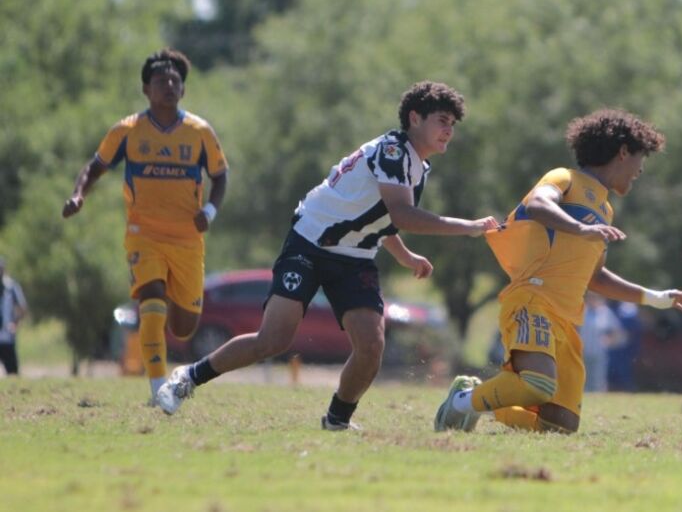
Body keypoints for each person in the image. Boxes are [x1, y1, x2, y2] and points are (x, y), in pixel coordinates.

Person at [156, 81, 499, 430]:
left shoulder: (415, 165)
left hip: (355, 257)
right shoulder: (393, 152)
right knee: (273, 340)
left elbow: (379, 216)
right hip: (310, 243)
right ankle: (188, 378)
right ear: (414, 118)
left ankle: (337, 420)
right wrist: (468, 227)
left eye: (452, 125)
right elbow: (402, 215)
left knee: (371, 346)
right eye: (442, 120)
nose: (448, 130)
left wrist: (405, 255)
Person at [435, 109, 682, 434]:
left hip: (567, 321)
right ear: (622, 153)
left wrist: (657, 298)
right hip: (533, 300)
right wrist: (579, 227)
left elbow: (596, 278)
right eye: (640, 158)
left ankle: (484, 402)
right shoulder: (565, 178)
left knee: (559, 427)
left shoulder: (605, 209)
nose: (640, 169)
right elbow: (537, 203)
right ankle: (462, 401)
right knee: (536, 384)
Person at [62, 49, 228, 402]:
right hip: (144, 234)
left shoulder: (199, 132)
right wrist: (79, 196)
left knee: (183, 329)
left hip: (187, 239)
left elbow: (220, 176)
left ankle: (166, 293)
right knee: (150, 298)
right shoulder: (127, 130)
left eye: (174, 81)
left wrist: (210, 211)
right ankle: (158, 388)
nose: (168, 85)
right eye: (160, 81)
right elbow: (96, 166)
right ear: (145, 89)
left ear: (182, 90)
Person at [580, 291, 623, 392]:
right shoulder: (581, 310)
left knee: (598, 381)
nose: (593, 299)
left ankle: (597, 402)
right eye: (591, 297)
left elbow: (617, 331)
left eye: (596, 297)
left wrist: (609, 340)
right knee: (581, 380)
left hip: (599, 353)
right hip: (581, 353)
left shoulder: (605, 312)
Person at [0, 257, 28, 376]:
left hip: (6, 336)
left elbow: (22, 307)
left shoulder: (11, 287)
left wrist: (15, 323)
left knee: (12, 373)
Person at [606, 299, 642, 392]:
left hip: (625, 348)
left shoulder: (627, 307)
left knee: (624, 373)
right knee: (610, 373)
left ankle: (627, 390)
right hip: (612, 348)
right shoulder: (607, 308)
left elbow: (632, 329)